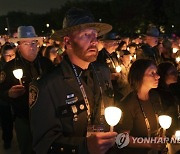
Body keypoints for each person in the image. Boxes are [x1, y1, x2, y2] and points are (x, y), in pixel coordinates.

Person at [29, 8, 117, 154]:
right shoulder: (47, 85)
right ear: (67, 41)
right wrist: (85, 146)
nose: (94, 40)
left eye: (95, 35)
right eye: (86, 34)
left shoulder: (103, 72)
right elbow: (43, 144)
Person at [0, 26, 53, 154]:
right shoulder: (9, 67)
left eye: (34, 42)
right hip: (24, 118)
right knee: (27, 148)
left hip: (48, 117)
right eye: (26, 43)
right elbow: (1, 92)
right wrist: (9, 94)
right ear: (18, 46)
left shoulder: (47, 64)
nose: (31, 46)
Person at [116, 59, 166, 154]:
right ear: (139, 76)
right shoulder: (128, 103)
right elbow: (122, 139)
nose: (158, 76)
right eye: (152, 73)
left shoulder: (155, 97)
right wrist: (149, 144)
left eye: (156, 72)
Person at [0, 42, 16, 149]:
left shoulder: (16, 65)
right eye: (8, 55)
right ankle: (7, 140)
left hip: (15, 98)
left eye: (13, 55)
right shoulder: (2, 68)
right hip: (3, 100)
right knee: (6, 122)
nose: (10, 57)